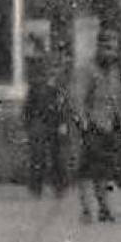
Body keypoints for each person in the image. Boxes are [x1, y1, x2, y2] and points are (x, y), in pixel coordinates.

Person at [76, 29, 121, 224]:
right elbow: (78, 98)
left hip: (111, 126)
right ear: (99, 48)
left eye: (113, 48)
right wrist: (84, 123)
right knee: (88, 170)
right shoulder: (88, 70)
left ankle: (105, 208)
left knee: (107, 170)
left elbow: (118, 97)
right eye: (106, 47)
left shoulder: (115, 71)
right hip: (93, 126)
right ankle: (87, 209)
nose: (110, 52)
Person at [22, 37, 73, 198]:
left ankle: (59, 187)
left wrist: (64, 122)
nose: (52, 71)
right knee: (38, 156)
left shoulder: (60, 87)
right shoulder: (37, 85)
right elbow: (29, 105)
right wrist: (28, 123)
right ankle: (36, 188)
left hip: (55, 122)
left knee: (58, 156)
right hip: (39, 121)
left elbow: (64, 105)